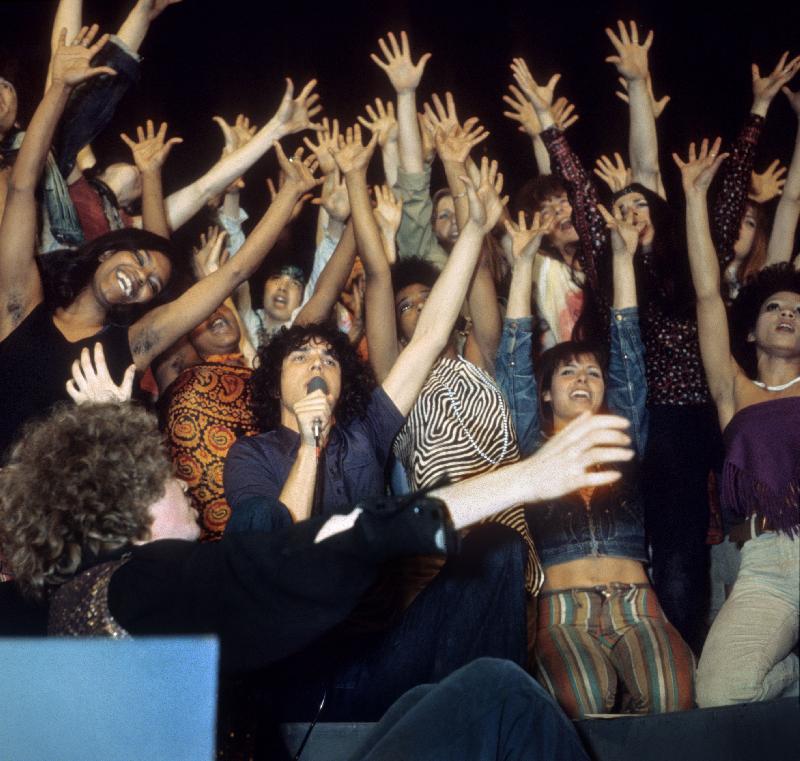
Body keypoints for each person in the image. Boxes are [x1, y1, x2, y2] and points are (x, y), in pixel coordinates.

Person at [0, 358, 628, 756]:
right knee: (500, 693)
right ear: (131, 510)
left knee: (427, 700)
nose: (187, 483)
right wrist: (525, 478)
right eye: (166, 476)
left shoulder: (81, 602)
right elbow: (334, 541)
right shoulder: (144, 590)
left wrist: (110, 428)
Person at [511, 28, 799, 652]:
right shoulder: (615, 269)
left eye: (643, 206)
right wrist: (548, 125)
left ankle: (692, 652)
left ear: (660, 218)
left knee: (692, 542)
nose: (631, 212)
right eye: (624, 208)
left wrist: (757, 110)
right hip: (646, 415)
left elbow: (723, 203)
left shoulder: (688, 264)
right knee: (657, 541)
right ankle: (647, 648)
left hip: (706, 412)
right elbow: (584, 201)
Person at [0, 28, 322, 455]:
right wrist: (58, 87)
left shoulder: (133, 345)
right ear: (108, 250)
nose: (142, 277)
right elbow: (23, 187)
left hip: (50, 516)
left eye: (152, 283)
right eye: (138, 260)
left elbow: (234, 273)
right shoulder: (21, 306)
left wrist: (287, 195)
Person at [495, 203, 694, 717]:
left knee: (675, 703)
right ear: (544, 395)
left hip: (639, 605)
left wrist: (624, 257)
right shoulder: (531, 449)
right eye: (566, 373)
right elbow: (515, 359)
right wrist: (521, 265)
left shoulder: (621, 439)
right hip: (562, 613)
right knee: (586, 703)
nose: (582, 378)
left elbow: (628, 344)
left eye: (591, 373)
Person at [675, 137, 799, 706]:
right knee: (721, 693)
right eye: (775, 306)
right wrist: (695, 200)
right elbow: (706, 296)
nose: (788, 313)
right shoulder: (736, 392)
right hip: (765, 564)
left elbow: (793, 203)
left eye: (799, 310)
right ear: (751, 329)